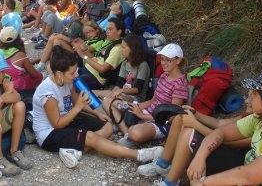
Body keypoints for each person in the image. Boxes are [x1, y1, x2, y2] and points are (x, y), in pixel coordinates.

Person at [32, 45, 166, 169]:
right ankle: (139, 155)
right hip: (49, 133)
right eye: (72, 73)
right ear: (59, 74)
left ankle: (74, 151)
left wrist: (97, 113)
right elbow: (57, 124)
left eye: (76, 71)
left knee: (107, 126)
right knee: (90, 137)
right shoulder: (48, 93)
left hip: (67, 119)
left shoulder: (67, 81)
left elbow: (75, 103)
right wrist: (78, 108)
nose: (76, 75)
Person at [187, 69, 262, 186]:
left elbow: (249, 176)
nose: (248, 100)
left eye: (254, 96)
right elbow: (220, 132)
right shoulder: (259, 119)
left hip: (258, 179)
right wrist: (199, 157)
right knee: (202, 153)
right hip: (247, 170)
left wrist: (203, 183)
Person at [136, 95, 253, 185]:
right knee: (180, 118)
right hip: (225, 149)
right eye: (248, 96)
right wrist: (195, 113)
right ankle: (163, 164)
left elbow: (229, 142)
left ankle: (170, 183)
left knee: (189, 132)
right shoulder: (251, 117)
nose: (246, 100)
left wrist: (196, 124)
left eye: (252, 97)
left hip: (236, 163)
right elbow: (219, 123)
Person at [118, 43, 188, 148]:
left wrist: (141, 115)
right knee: (117, 105)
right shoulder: (164, 75)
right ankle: (130, 130)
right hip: (149, 113)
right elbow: (153, 100)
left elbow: (171, 117)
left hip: (161, 122)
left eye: (168, 60)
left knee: (135, 132)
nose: (163, 63)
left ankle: (130, 132)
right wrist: (137, 107)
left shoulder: (180, 84)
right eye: (162, 59)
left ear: (178, 61)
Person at [94, 35, 150, 134]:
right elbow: (119, 83)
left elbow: (138, 89)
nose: (121, 50)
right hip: (122, 94)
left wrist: (120, 91)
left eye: (124, 47)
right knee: (95, 92)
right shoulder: (125, 63)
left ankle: (121, 128)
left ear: (133, 49)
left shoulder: (143, 65)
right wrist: (114, 92)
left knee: (109, 101)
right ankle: (115, 121)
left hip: (136, 99)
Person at [75, 17, 126, 90]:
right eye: (107, 29)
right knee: (67, 73)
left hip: (97, 78)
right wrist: (83, 49)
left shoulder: (117, 49)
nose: (107, 31)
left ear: (119, 31)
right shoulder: (108, 42)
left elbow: (102, 69)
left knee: (72, 81)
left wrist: (83, 56)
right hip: (88, 69)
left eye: (110, 29)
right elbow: (94, 58)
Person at [35, 20, 106, 72]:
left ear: (97, 30)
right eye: (86, 33)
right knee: (55, 38)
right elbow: (82, 46)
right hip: (78, 56)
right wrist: (82, 42)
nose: (88, 34)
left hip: (82, 61)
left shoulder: (100, 42)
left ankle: (51, 66)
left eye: (91, 31)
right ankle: (42, 65)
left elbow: (86, 50)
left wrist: (66, 39)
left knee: (59, 39)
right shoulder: (89, 40)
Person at [0, 26, 42, 91]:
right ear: (18, 39)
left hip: (2, 83)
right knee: (40, 76)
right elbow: (35, 75)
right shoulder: (20, 55)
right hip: (15, 86)